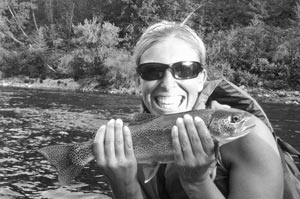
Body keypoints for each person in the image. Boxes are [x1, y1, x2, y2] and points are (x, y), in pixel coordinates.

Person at [93, 21, 284, 199]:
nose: (168, 84)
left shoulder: (249, 139)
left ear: (202, 78)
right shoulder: (132, 140)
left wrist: (196, 182)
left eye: (185, 70)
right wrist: (124, 185)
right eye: (152, 70)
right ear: (138, 81)